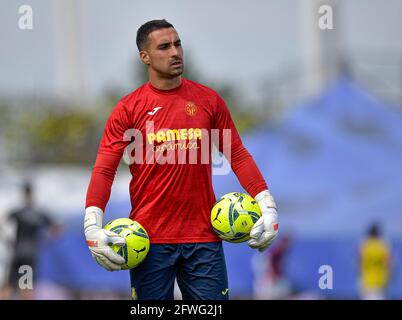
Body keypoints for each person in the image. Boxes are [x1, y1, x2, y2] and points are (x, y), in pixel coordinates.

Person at [84, 19, 279, 300]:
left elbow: (237, 154)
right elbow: (104, 169)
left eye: (178, 44)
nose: (175, 52)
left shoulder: (208, 101)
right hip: (147, 241)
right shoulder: (128, 109)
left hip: (203, 239)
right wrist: (92, 225)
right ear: (145, 57)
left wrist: (268, 206)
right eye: (164, 47)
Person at [0, 182, 58, 300]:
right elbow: (57, 228)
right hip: (30, 253)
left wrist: (6, 240)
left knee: (9, 284)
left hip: (18, 252)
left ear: (23, 194)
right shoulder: (39, 213)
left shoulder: (18, 212)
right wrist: (46, 240)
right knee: (25, 285)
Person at [358, 223, 391, 300]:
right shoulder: (382, 245)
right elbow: (388, 263)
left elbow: (359, 262)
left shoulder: (364, 245)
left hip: (366, 282)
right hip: (380, 282)